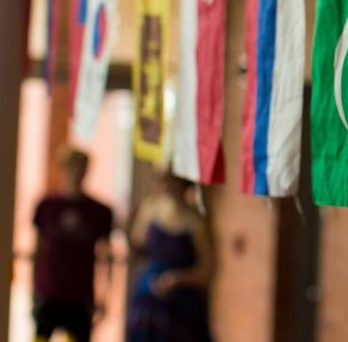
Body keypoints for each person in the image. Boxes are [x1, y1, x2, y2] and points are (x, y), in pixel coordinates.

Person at [32, 146, 114, 342]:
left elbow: (106, 256)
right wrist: (33, 290)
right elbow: (38, 250)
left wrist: (104, 295)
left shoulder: (99, 211)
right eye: (71, 167)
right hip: (50, 291)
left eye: (80, 168)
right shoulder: (47, 206)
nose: (76, 173)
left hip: (80, 295)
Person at [126, 172, 214, 342]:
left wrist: (177, 279)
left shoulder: (195, 221)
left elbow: (206, 271)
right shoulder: (151, 208)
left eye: (169, 180)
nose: (164, 184)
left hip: (181, 304)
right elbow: (137, 246)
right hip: (149, 296)